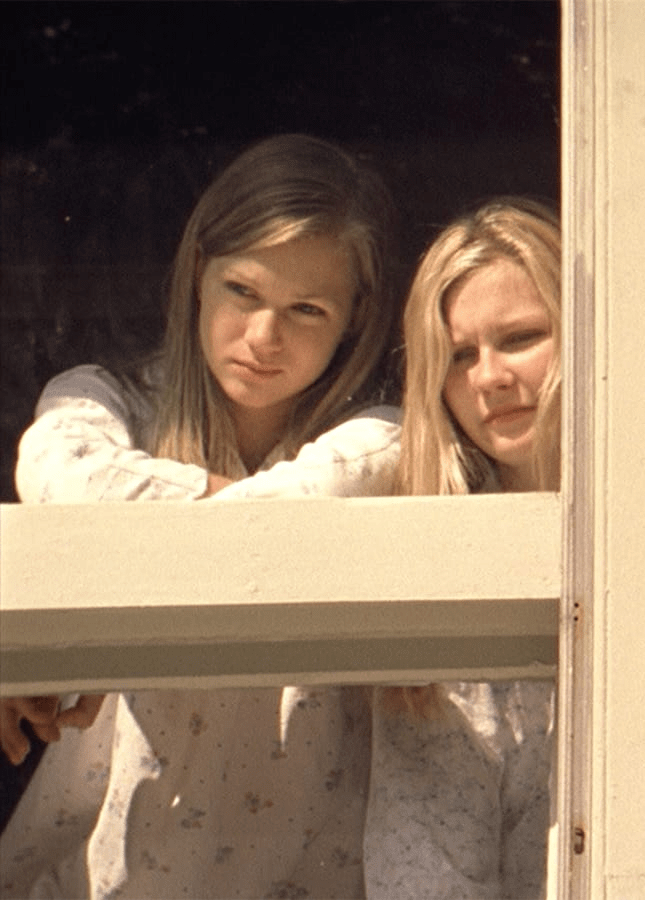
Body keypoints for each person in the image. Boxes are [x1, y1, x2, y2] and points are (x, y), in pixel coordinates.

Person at [0, 134, 401, 898]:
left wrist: (133, 545)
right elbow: (60, 475)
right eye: (242, 290)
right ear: (197, 277)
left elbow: (316, 503)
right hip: (105, 868)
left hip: (298, 871)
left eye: (307, 309)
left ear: (355, 320)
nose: (263, 337)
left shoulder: (382, 437)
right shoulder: (102, 398)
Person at [362, 197, 561, 898]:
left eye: (521, 337)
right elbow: (424, 868)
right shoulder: (438, 559)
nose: (489, 377)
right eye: (458, 356)